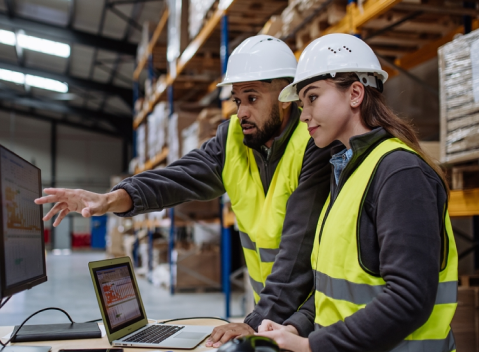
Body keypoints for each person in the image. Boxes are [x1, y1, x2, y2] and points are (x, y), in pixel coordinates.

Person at [35, 35, 336, 347]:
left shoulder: (313, 145)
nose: (242, 112)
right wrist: (110, 200)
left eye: (253, 98)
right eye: (237, 100)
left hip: (312, 317)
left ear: (286, 97)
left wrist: (256, 321)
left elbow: (297, 250)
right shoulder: (232, 140)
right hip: (272, 314)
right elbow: (176, 178)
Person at [255, 33, 458, 352]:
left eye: (312, 98)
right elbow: (337, 290)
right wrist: (295, 326)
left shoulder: (400, 172)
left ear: (354, 93)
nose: (304, 114)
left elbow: (408, 300)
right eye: (301, 104)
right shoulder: (347, 172)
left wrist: (310, 346)